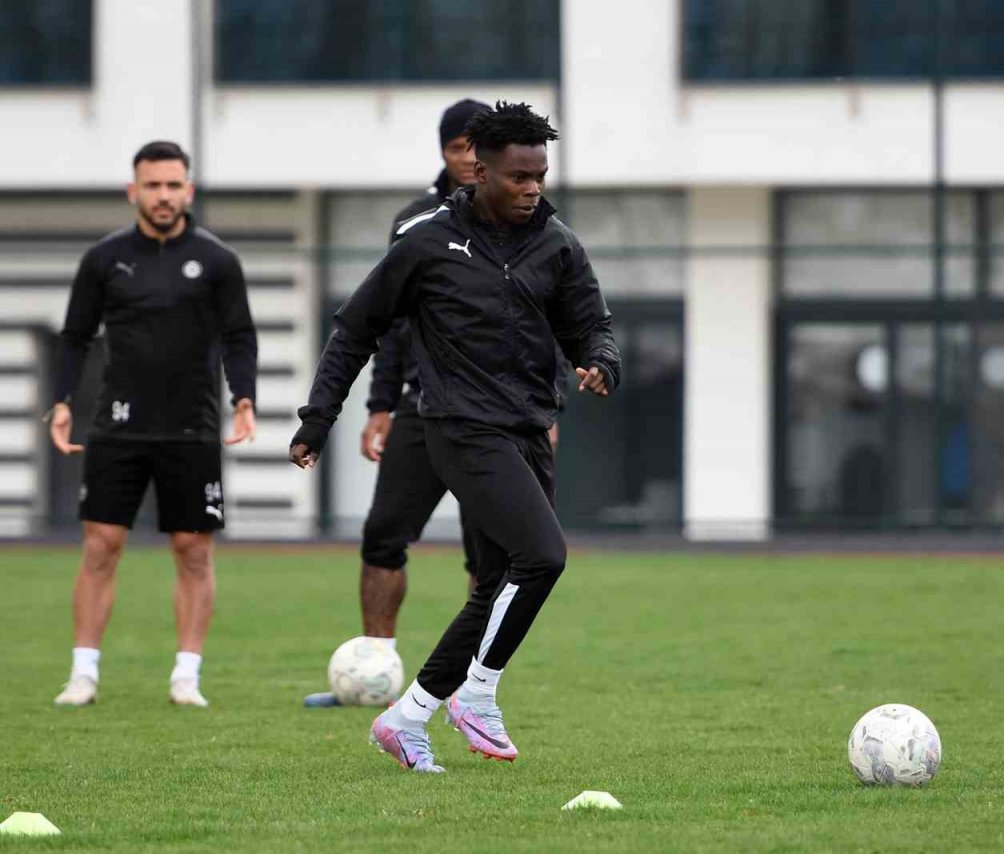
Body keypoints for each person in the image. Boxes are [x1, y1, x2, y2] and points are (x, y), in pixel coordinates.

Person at [290, 102, 619, 772]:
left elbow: (592, 326)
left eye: (541, 175)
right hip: (458, 425)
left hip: (529, 428)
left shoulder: (558, 245)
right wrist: (319, 417)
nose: (533, 188)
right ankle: (477, 693)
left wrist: (601, 361)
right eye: (519, 176)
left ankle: (407, 718)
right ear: (482, 172)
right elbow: (355, 329)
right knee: (544, 556)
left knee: (499, 582)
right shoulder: (426, 243)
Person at [48, 140, 258, 708]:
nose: (163, 196)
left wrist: (245, 399)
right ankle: (83, 674)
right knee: (101, 546)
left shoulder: (217, 260)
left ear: (188, 191)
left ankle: (186, 675)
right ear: (133, 190)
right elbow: (74, 336)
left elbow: (240, 336)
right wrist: (63, 400)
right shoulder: (104, 259)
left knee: (193, 550)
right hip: (118, 424)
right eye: (153, 185)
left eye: (173, 185)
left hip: (191, 425)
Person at [302, 98, 495, 708]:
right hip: (421, 405)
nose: (469, 157)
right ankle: (375, 667)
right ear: (443, 150)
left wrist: (550, 413)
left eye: (479, 145)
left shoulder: (524, 221)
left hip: (499, 414)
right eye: (459, 145)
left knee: (488, 552)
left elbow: (541, 325)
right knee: (383, 535)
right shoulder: (415, 221)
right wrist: (379, 405)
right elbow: (388, 320)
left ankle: (474, 687)